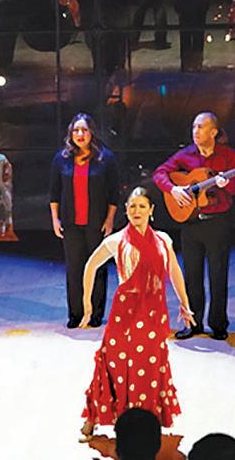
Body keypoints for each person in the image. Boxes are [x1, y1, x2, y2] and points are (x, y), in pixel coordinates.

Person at [78, 186, 195, 442]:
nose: (136, 211)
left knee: (149, 368)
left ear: (151, 210)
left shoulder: (163, 239)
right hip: (125, 312)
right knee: (112, 363)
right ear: (126, 210)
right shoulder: (116, 240)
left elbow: (174, 271)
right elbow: (90, 266)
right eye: (132, 206)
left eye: (142, 206)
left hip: (154, 312)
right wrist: (87, 304)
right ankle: (93, 418)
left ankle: (144, 424)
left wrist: (185, 304)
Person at [153, 112, 235, 341]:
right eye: (194, 127)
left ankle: (218, 324)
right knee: (191, 276)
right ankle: (193, 324)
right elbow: (160, 173)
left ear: (214, 132)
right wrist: (173, 189)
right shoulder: (186, 155)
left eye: (201, 127)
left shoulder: (228, 156)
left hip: (217, 223)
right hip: (190, 224)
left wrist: (226, 185)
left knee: (218, 275)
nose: (195, 132)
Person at [49, 113, 119, 328]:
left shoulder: (106, 158)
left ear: (92, 133)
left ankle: (96, 313)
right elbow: (54, 192)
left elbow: (114, 193)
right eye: (76, 130)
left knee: (97, 267)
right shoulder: (61, 158)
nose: (80, 134)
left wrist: (110, 219)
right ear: (70, 133)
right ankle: (76, 313)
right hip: (71, 224)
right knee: (74, 269)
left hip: (96, 222)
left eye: (84, 130)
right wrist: (55, 219)